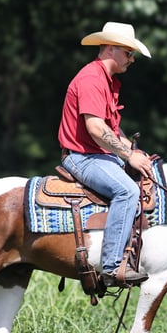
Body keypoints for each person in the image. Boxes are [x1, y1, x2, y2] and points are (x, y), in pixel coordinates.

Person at [58, 22, 154, 287]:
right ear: (111, 49)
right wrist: (129, 156)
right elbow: (96, 129)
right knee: (128, 191)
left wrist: (134, 152)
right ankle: (112, 267)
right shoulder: (91, 79)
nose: (132, 59)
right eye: (128, 53)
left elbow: (111, 129)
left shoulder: (107, 81)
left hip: (98, 155)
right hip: (81, 156)